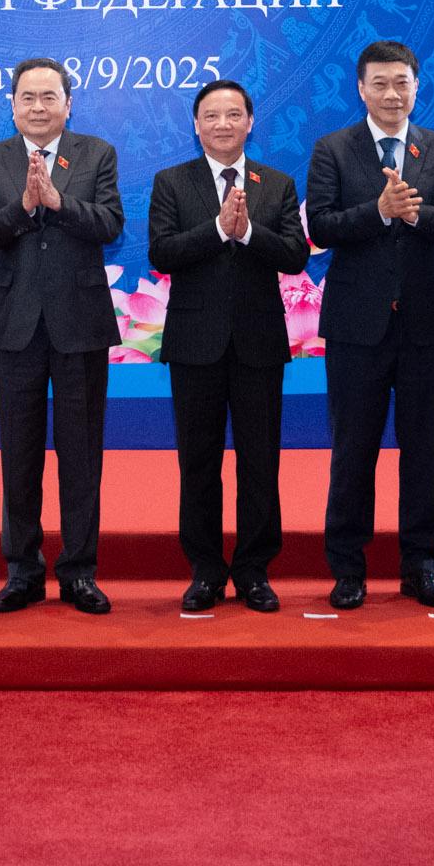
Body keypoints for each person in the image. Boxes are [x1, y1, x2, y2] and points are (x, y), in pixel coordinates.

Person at [304, 41, 434, 612]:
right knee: (353, 449)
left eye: (401, 82)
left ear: (417, 87)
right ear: (361, 89)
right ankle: (348, 569)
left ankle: (421, 566)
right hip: (357, 325)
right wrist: (378, 211)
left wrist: (416, 213)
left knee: (424, 448)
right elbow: (322, 227)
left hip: (425, 323)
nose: (391, 93)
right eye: (379, 83)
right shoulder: (333, 149)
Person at [0, 57, 125, 615]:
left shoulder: (96, 154)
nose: (38, 107)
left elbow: (111, 224)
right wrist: (24, 206)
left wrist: (60, 203)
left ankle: (80, 572)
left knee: (81, 455)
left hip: (79, 322)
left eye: (48, 97)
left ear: (68, 103)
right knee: (20, 455)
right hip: (15, 324)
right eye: (27, 98)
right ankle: (23, 571)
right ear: (12, 106)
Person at [147, 78, 308, 613]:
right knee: (199, 463)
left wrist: (248, 233)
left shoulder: (276, 183)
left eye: (233, 114)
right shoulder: (172, 182)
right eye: (212, 116)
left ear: (250, 122)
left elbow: (294, 256)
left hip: (259, 343)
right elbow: (162, 253)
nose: (222, 124)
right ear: (196, 125)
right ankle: (206, 571)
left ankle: (254, 571)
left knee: (260, 462)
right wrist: (218, 230)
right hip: (195, 344)